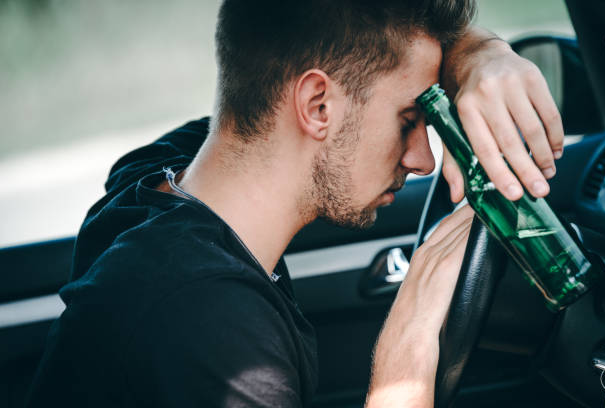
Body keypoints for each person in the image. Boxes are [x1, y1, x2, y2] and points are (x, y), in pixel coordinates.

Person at [26, 1, 564, 407]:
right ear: (316, 104)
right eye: (408, 121)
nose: (423, 158)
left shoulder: (157, 180)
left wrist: (478, 55)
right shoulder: (215, 341)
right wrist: (407, 354)